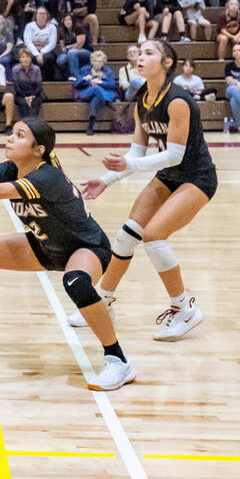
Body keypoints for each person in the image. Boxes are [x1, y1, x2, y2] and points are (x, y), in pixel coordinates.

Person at [0, 118, 133, 390]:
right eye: (11, 133)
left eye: (19, 135)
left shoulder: (47, 176)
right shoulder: (10, 168)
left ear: (38, 149)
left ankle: (118, 361)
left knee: (76, 281)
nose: (10, 138)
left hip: (85, 246)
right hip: (42, 246)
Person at [78, 40, 217, 341]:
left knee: (153, 236)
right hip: (169, 175)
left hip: (197, 177)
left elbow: (175, 155)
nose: (141, 57)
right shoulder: (143, 100)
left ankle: (184, 309)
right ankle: (102, 302)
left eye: (149, 53)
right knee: (128, 234)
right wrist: (106, 180)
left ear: (167, 63)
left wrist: (126, 167)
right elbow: (136, 154)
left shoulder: (178, 101)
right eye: (139, 53)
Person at [74, 51, 117, 135]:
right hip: (86, 93)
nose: (97, 63)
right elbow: (76, 84)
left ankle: (91, 124)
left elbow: (113, 85)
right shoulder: (85, 69)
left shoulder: (108, 71)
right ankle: (106, 100)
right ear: (92, 61)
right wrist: (84, 79)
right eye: (95, 61)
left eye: (100, 61)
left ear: (104, 63)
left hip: (99, 95)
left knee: (95, 98)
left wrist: (101, 82)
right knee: (94, 88)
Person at [23, 5, 58, 80]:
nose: (42, 16)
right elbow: (28, 42)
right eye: (40, 14)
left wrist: (42, 53)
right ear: (36, 15)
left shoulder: (52, 27)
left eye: (44, 14)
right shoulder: (29, 26)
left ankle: (50, 82)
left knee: (49, 58)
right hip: (33, 51)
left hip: (47, 52)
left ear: (47, 16)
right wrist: (37, 54)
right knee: (31, 58)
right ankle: (33, 81)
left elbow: (52, 43)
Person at [11, 47, 44, 119]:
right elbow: (17, 87)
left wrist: (32, 96)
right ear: (19, 59)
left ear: (31, 58)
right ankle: (26, 125)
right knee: (23, 103)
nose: (25, 59)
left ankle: (34, 126)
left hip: (35, 94)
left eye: (27, 57)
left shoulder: (36, 69)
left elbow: (39, 86)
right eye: (23, 57)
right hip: (21, 94)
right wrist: (25, 97)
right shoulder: (15, 69)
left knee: (35, 102)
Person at [224, 41, 240, 132]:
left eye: (238, 50)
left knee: (234, 100)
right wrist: (237, 83)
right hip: (230, 90)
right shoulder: (229, 66)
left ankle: (238, 125)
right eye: (234, 50)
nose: (236, 52)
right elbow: (229, 81)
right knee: (233, 89)